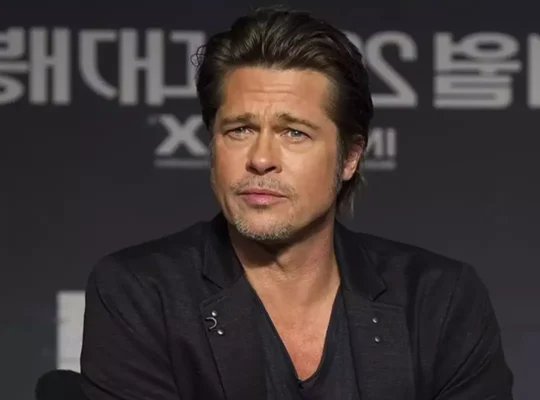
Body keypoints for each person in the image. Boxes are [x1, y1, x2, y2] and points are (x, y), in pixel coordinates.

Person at [80, 6, 514, 400]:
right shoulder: (142, 293)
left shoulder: (438, 300)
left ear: (350, 157)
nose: (261, 159)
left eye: (294, 133)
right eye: (239, 130)